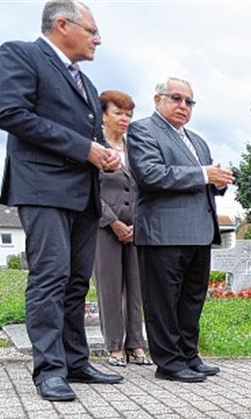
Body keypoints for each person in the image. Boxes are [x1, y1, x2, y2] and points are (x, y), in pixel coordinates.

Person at [0, 0, 123, 401]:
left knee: (76, 281)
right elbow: (8, 112)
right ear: (63, 24)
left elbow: (84, 134)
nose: (97, 39)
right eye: (92, 30)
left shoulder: (85, 82)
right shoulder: (20, 54)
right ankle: (48, 370)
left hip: (84, 194)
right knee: (49, 277)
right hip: (43, 188)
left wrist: (104, 152)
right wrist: (85, 148)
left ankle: (75, 361)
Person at [127, 77, 230, 382]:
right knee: (163, 301)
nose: (183, 106)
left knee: (192, 299)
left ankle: (188, 354)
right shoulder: (143, 130)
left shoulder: (197, 140)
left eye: (189, 101)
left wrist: (218, 181)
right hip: (163, 233)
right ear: (158, 99)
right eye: (176, 98)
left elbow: (203, 181)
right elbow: (150, 174)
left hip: (199, 231)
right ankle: (169, 362)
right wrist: (202, 174)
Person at [93, 90, 150, 367]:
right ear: (103, 114)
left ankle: (136, 344)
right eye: (119, 113)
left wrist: (136, 223)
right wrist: (113, 221)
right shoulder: (94, 147)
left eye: (129, 114)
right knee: (110, 287)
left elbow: (144, 188)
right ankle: (115, 347)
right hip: (104, 227)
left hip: (136, 227)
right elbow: (89, 190)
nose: (125, 118)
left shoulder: (135, 150)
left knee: (136, 287)